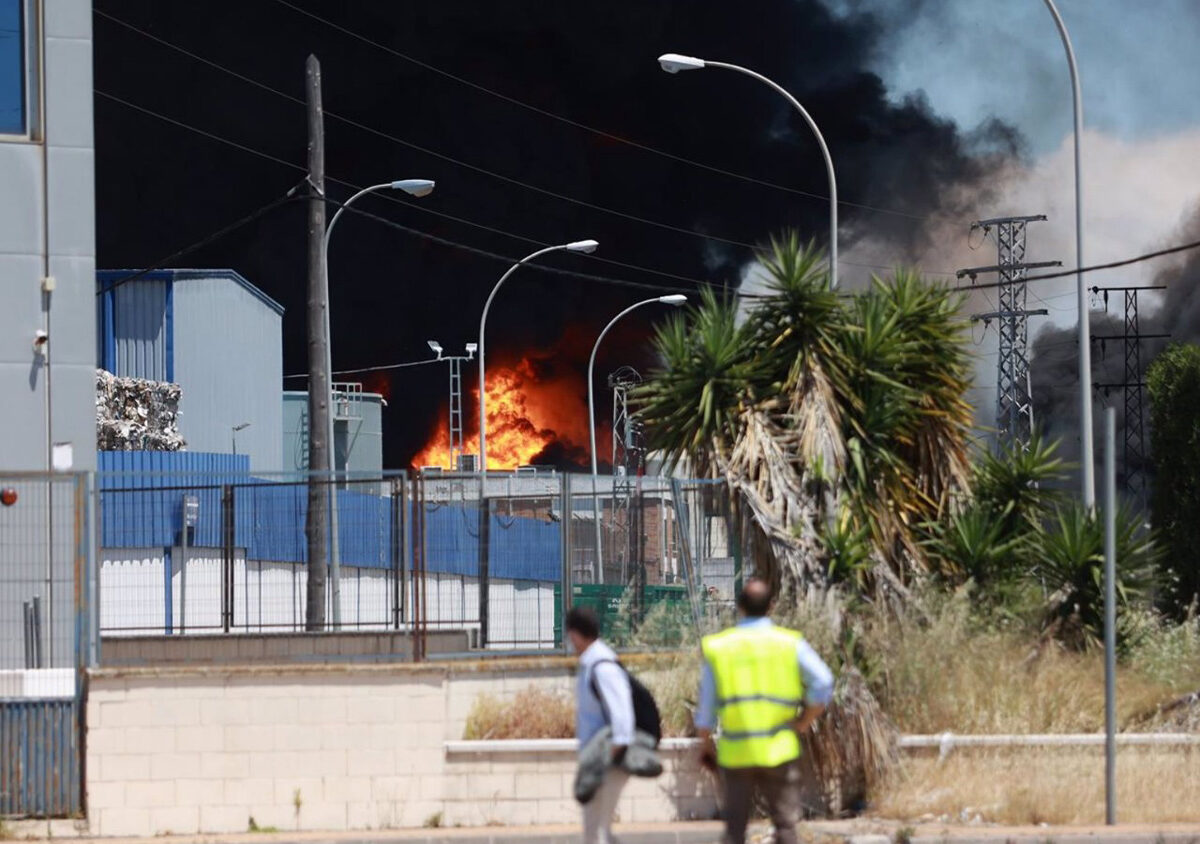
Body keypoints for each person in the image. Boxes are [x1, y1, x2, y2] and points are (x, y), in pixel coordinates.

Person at [696, 578, 835, 844]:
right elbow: (824, 681)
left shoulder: (719, 648)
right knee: (785, 827)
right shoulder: (789, 643)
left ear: (739, 606)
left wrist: (706, 746)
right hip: (779, 749)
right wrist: (805, 721)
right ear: (771, 606)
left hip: (737, 753)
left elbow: (706, 709)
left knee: (735, 830)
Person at [566, 606, 634, 844]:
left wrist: (606, 760)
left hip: (605, 761)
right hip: (598, 759)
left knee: (597, 831)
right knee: (595, 832)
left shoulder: (602, 666)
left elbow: (622, 718)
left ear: (575, 634)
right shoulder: (591, 663)